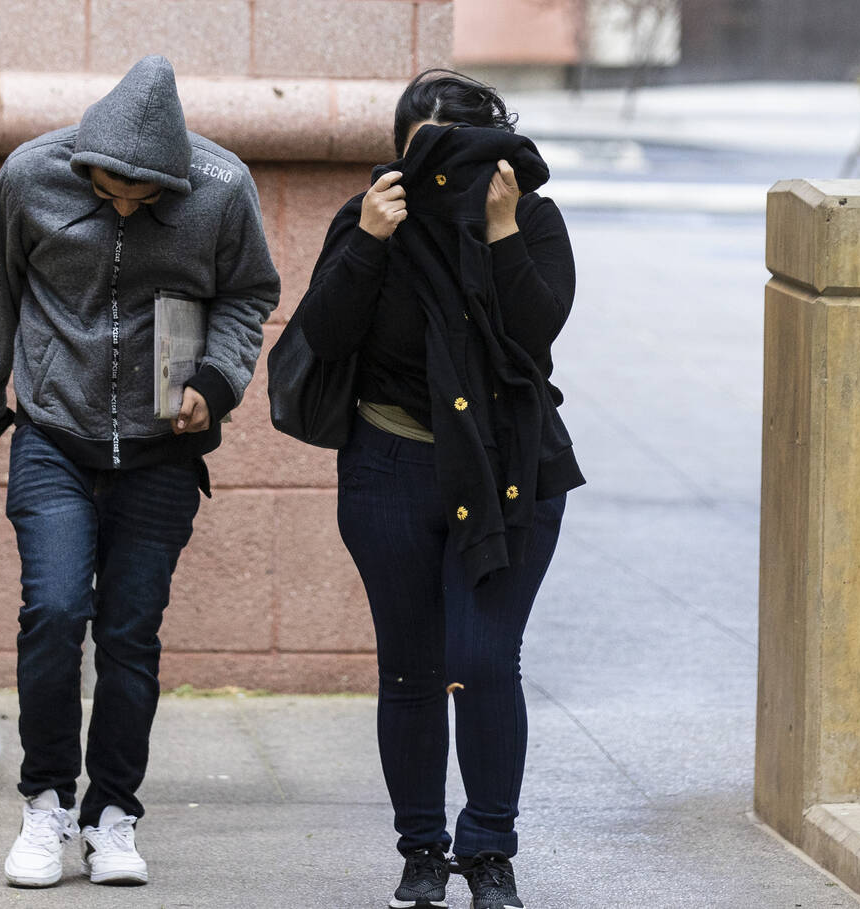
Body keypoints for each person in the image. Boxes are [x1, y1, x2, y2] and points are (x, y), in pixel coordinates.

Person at [0, 55, 279, 889]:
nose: (125, 202)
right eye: (109, 189)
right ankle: (45, 801)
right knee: (55, 611)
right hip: (54, 437)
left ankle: (112, 815)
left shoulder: (221, 187)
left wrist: (217, 381)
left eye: (144, 196)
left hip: (160, 453)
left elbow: (250, 293)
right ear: (84, 161)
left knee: (131, 634)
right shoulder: (31, 174)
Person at [295, 70, 584, 909]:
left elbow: (534, 339)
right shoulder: (371, 216)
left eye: (458, 152)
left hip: (507, 468)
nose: (441, 174)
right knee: (412, 669)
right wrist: (369, 243)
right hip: (390, 463)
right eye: (424, 154)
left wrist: (498, 234)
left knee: (482, 659)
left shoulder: (530, 216)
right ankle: (422, 850)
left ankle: (489, 850)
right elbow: (323, 332)